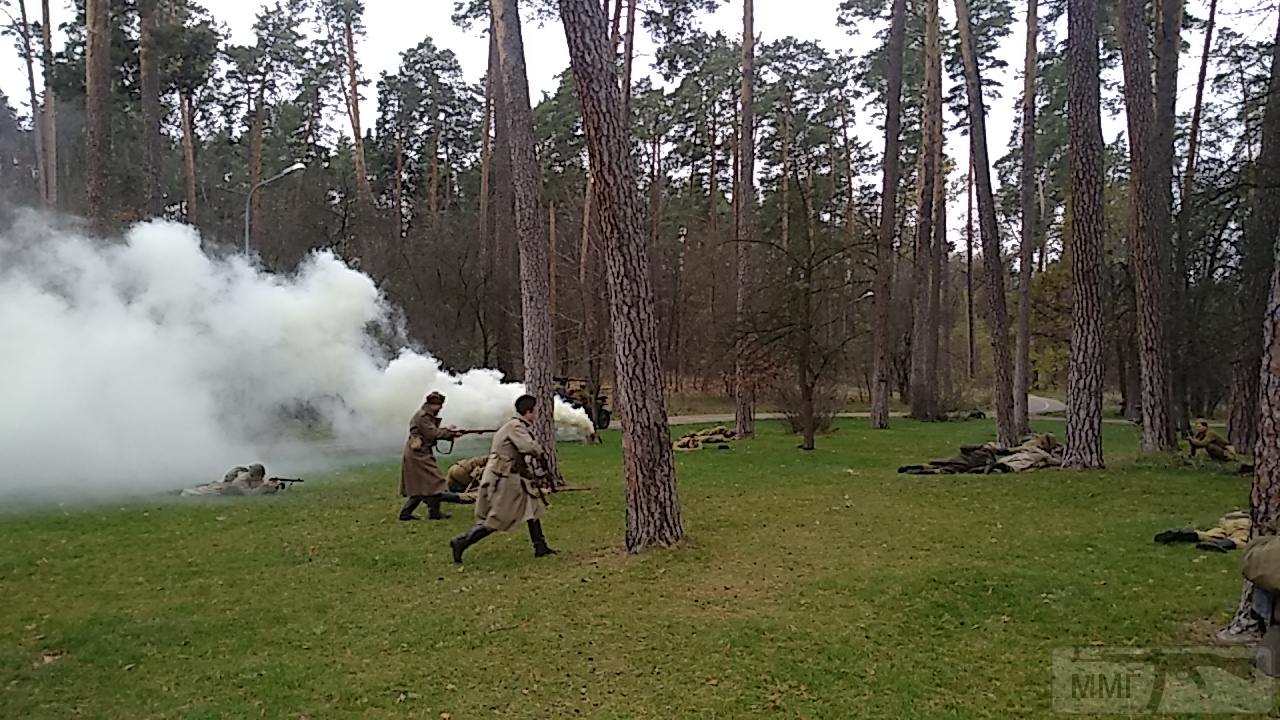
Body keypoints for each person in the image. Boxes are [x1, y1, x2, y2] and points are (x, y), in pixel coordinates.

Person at [449, 394, 557, 563]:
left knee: (533, 508)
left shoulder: (514, 425)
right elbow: (527, 447)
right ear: (528, 411)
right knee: (499, 517)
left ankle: (540, 546)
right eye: (535, 411)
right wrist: (539, 450)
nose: (536, 415)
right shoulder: (516, 427)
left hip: (513, 474)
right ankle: (462, 542)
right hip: (505, 476)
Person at [399, 391, 472, 521]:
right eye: (439, 405)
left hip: (421, 453)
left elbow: (432, 431)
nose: (441, 408)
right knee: (434, 483)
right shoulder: (422, 416)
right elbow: (433, 434)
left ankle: (411, 513)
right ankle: (431, 513)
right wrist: (450, 433)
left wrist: (449, 431)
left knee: (424, 485)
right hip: (418, 454)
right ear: (433, 404)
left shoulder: (425, 416)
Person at [180, 464, 283, 496]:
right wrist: (264, 487)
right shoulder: (240, 481)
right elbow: (249, 494)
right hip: (218, 489)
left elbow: (260, 485)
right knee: (189, 493)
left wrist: (273, 486)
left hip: (222, 487)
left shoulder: (252, 478)